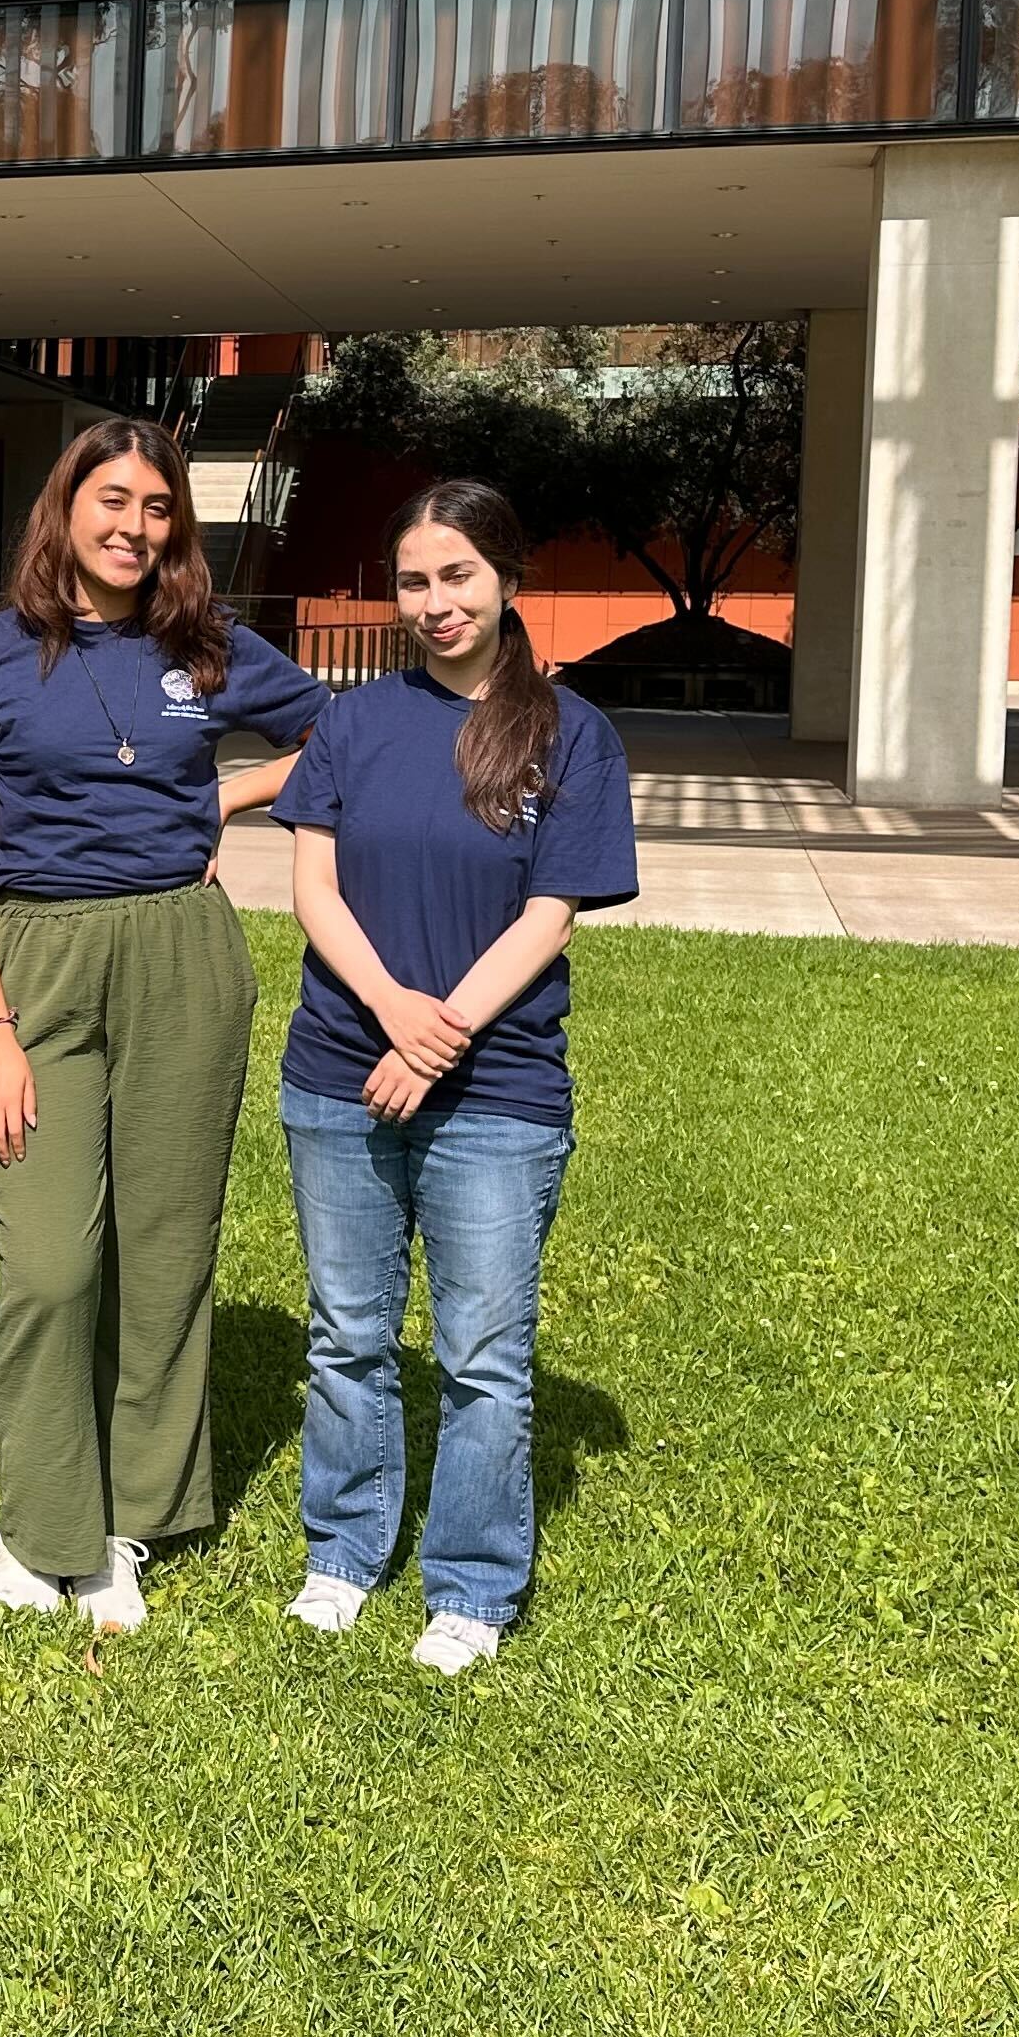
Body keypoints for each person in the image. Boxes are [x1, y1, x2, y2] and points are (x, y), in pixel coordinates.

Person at [0, 419, 323, 1634]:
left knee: (163, 1252)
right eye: (112, 500)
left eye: (158, 508)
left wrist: (233, 794)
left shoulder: (206, 645)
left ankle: (125, 1524)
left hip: (180, 954)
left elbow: (339, 737)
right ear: (65, 507)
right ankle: (36, 1521)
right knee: (52, 1262)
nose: (134, 527)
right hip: (39, 960)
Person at [275, 480, 638, 1675]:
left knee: (483, 1356)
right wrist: (391, 1011)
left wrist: (438, 1038)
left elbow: (550, 914)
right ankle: (342, 1554)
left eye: (459, 577)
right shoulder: (353, 723)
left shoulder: (572, 734)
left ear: (508, 579)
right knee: (348, 1336)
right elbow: (313, 886)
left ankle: (473, 1585)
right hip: (339, 1074)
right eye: (414, 581)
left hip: (498, 1092)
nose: (435, 603)